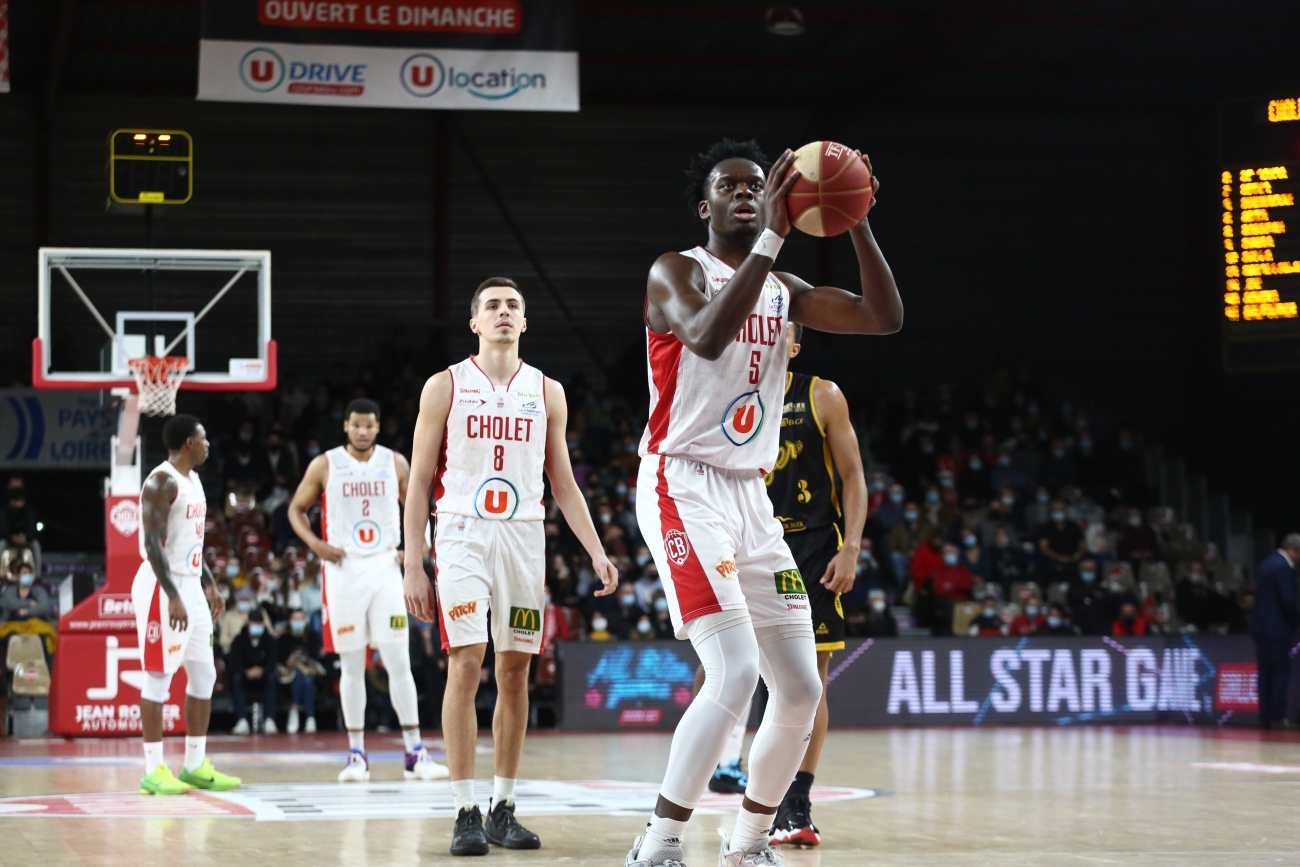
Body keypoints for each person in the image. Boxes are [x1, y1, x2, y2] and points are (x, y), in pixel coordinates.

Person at [625, 138, 900, 866]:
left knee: (803, 686)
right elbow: (709, 337)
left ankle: (746, 842)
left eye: (759, 185)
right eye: (733, 186)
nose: (749, 193)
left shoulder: (786, 290)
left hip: (752, 493)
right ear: (705, 205)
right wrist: (776, 231)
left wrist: (857, 213)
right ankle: (658, 842)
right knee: (735, 671)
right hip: (681, 482)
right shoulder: (675, 270)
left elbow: (883, 317)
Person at [401, 277, 618, 855]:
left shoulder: (547, 391)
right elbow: (419, 482)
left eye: (513, 306)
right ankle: (463, 810)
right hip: (462, 535)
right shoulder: (444, 385)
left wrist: (597, 550)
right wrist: (413, 563)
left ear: (525, 323)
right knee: (467, 663)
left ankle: (503, 806)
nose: (503, 312)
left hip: (524, 537)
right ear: (475, 322)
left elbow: (564, 484)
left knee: (516, 672)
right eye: (493, 306)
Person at [288, 398, 449, 783]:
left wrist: (419, 542)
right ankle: (356, 755)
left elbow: (417, 503)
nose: (362, 431)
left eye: (369, 425)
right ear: (346, 426)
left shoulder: (395, 462)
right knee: (352, 665)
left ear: (378, 428)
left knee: (397, 661)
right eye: (356, 424)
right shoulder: (325, 463)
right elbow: (295, 509)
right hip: (342, 570)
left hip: (383, 568)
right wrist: (316, 545)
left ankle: (415, 752)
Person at [758, 322, 868, 849]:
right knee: (745, 673)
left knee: (810, 675)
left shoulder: (820, 393)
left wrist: (851, 548)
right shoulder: (728, 397)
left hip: (814, 547)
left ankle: (796, 802)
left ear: (793, 346)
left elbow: (854, 478)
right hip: (751, 548)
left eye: (777, 332)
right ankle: (758, 790)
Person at [131, 415, 241, 795]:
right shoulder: (162, 482)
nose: (208, 444)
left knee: (204, 674)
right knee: (159, 676)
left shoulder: (194, 481)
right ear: (188, 443)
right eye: (203, 437)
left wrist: (208, 585)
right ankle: (153, 769)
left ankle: (194, 764)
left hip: (190, 583)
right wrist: (173, 594)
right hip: (162, 586)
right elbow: (152, 545)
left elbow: (191, 542)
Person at [1249, 534, 1300, 730]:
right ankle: (1277, 717)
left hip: (1260, 628)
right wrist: (1297, 621)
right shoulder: (1283, 567)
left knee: (1265, 674)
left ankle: (1265, 717)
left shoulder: (1267, 562)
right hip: (1276, 629)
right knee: (1279, 673)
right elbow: (1287, 600)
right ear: (1294, 550)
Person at [228, 609, 278, 734]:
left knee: (272, 679)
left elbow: (273, 661)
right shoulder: (239, 640)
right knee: (236, 679)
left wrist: (262, 670)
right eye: (254, 622)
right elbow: (234, 661)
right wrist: (246, 672)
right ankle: (242, 720)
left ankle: (269, 720)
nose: (257, 626)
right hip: (245, 676)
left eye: (259, 623)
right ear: (248, 623)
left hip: (264, 675)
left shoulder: (269, 640)